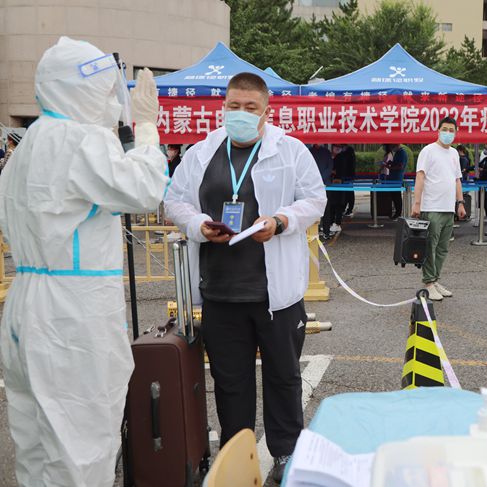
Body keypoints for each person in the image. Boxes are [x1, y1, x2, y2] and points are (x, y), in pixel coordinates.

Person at [0, 37, 168, 486]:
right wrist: (147, 129)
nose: (111, 99)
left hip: (27, 302)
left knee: (37, 444)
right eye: (105, 89)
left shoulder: (29, 145)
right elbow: (144, 188)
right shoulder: (79, 140)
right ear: (82, 89)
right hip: (72, 312)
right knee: (81, 446)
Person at [164, 72, 326, 482]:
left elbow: (315, 199)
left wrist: (282, 220)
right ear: (223, 107)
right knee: (230, 383)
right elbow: (175, 201)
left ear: (266, 111)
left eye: (250, 107)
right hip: (220, 292)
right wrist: (199, 225)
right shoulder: (201, 153)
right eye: (233, 106)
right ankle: (238, 458)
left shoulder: (290, 151)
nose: (241, 113)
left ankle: (286, 455)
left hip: (276, 295)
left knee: (284, 379)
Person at [410, 117, 467, 301]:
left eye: (451, 130)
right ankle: (428, 283)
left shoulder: (454, 153)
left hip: (448, 208)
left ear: (455, 133)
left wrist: (460, 202)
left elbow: (457, 179)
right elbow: (420, 177)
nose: (448, 133)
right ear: (438, 130)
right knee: (430, 247)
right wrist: (417, 203)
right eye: (445, 129)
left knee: (443, 248)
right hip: (432, 207)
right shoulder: (428, 151)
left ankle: (435, 280)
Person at [381, 143, 407, 219]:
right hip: (393, 178)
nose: (391, 148)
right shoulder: (398, 153)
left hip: (396, 178)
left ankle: (398, 213)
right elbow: (397, 163)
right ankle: (397, 213)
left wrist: (389, 167)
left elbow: (400, 166)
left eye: (392, 146)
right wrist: (391, 163)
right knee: (394, 196)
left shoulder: (401, 153)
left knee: (396, 196)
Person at [335, 144, 356, 217]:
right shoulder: (350, 151)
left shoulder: (344, 153)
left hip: (345, 176)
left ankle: (346, 209)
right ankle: (348, 209)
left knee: (346, 193)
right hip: (349, 176)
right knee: (349, 193)